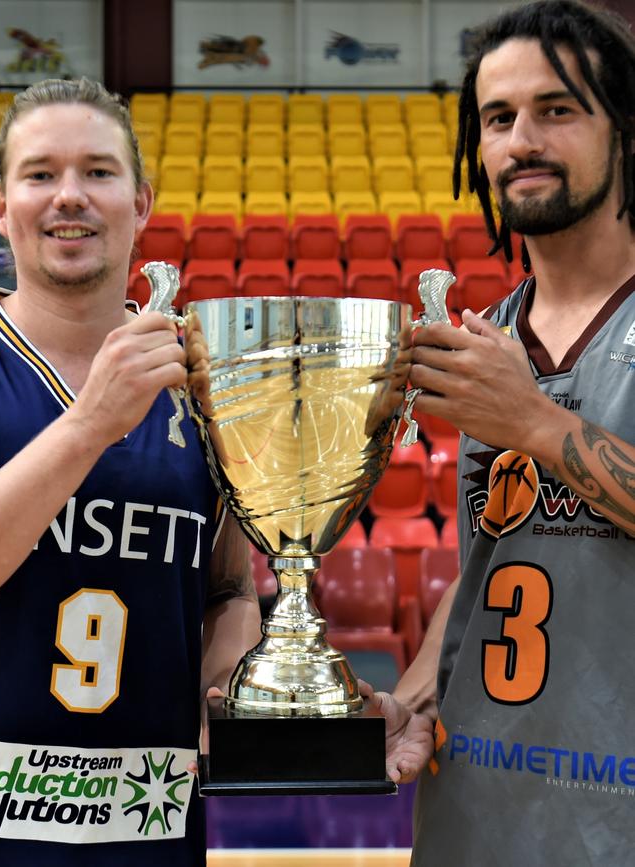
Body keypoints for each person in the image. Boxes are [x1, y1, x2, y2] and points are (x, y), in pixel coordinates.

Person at [360, 1, 635, 863]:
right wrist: (417, 696)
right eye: (498, 118)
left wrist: (537, 424)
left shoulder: (506, 382)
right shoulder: (490, 335)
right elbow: (495, 551)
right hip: (477, 807)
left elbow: (542, 435)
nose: (522, 139)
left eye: (558, 109)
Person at [0, 78, 262, 865]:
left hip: (152, 825)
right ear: (1, 204)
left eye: (98, 173)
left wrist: (229, 672)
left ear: (140, 204)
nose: (69, 196)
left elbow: (230, 587)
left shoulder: (203, 380)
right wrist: (89, 424)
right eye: (40, 174)